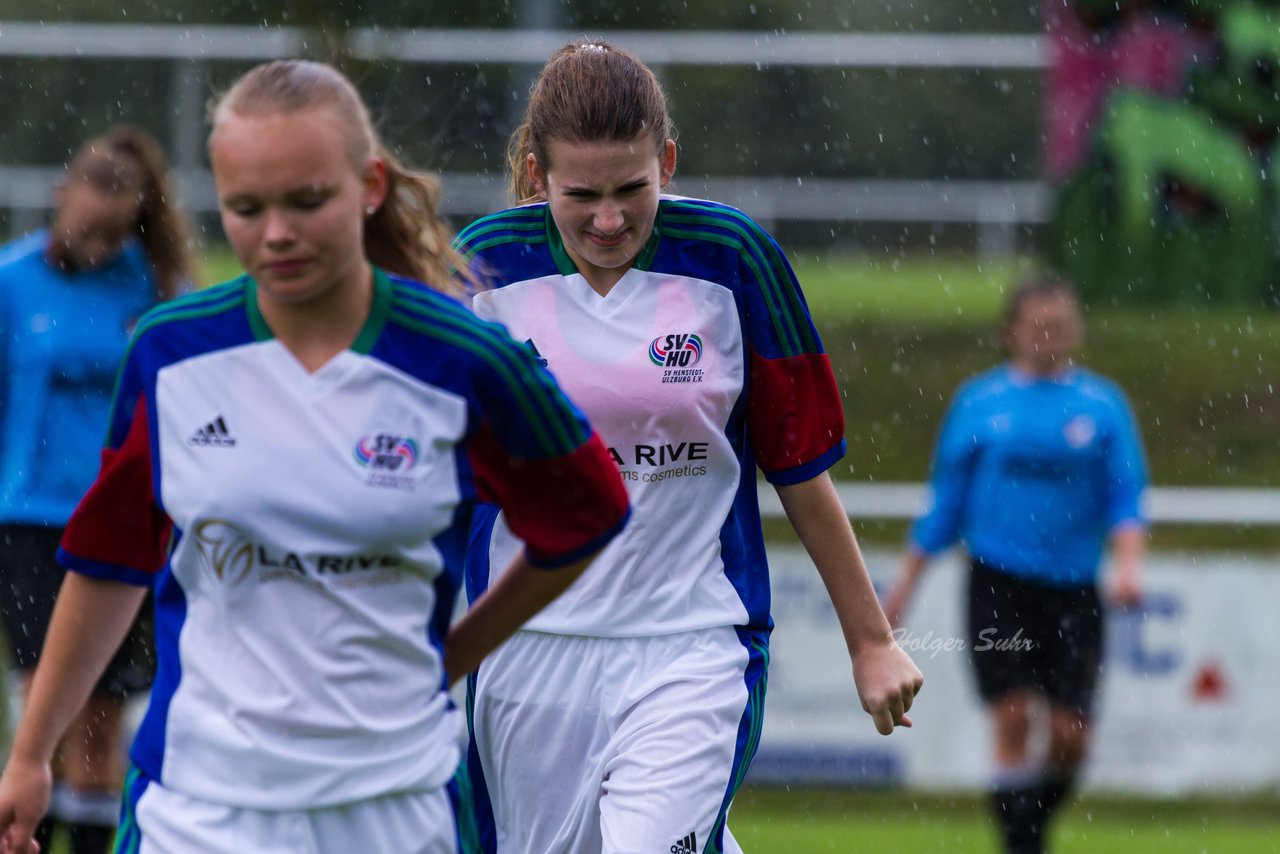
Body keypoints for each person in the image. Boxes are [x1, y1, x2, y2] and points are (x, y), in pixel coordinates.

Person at [0, 59, 630, 854]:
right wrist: (28, 757)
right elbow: (111, 561)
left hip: (396, 810)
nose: (277, 233)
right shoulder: (170, 352)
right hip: (195, 809)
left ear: (368, 187)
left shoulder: (463, 357)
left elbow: (590, 514)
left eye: (307, 201)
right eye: (246, 207)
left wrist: (456, 650)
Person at [454, 40, 923, 854]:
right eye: (582, 195)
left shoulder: (734, 262)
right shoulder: (477, 273)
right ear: (537, 176)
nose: (609, 219)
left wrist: (872, 641)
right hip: (525, 654)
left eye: (632, 188)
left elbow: (801, 473)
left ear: (667, 160)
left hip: (691, 645)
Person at [882, 274, 1147, 854]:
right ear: (1012, 333)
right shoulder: (980, 402)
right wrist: (902, 588)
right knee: (1013, 715)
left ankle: (1030, 826)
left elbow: (1126, 499)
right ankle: (1022, 846)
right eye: (1040, 326)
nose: (1052, 336)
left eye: (1063, 325)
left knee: (1070, 737)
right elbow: (944, 507)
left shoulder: (1102, 406)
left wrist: (1129, 568)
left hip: (1075, 588)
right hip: (998, 584)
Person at [0, 124, 194, 854]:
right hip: (30, 518)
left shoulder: (158, 288)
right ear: (60, 194)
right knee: (40, 708)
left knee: (102, 716)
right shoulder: (12, 282)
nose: (92, 235)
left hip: (125, 521)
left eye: (113, 223)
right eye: (84, 215)